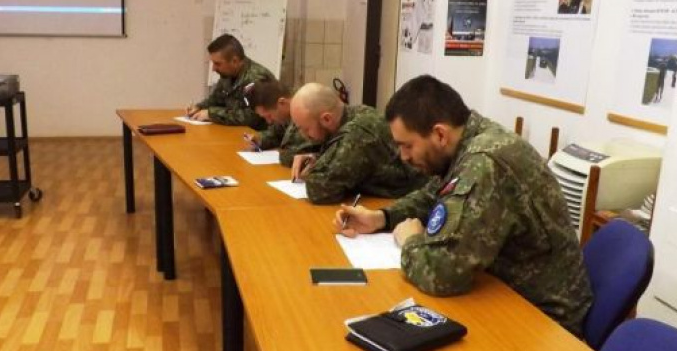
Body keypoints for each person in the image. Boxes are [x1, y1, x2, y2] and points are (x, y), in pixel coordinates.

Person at [334, 75, 592, 337]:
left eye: (407, 145)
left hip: (544, 322)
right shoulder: (469, 138)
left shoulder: (484, 161)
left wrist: (410, 241)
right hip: (502, 292)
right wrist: (382, 217)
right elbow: (434, 194)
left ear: (439, 134)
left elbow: (441, 274)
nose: (403, 157)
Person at [289, 82, 428, 204]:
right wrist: (316, 158)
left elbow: (319, 191)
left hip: (409, 204)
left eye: (306, 129)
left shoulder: (357, 133)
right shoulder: (356, 113)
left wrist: (315, 168)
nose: (303, 135)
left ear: (327, 119)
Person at [185, 34, 274, 129]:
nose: (213, 69)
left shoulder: (256, 79)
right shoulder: (227, 74)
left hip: (256, 134)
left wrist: (212, 114)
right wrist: (199, 107)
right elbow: (216, 100)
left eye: (217, 64)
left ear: (234, 61)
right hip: (234, 131)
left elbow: (251, 117)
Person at [244, 79, 319, 167]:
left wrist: (283, 153)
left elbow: (296, 155)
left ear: (282, 103)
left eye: (269, 116)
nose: (269, 121)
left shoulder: (305, 112)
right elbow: (276, 134)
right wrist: (260, 140)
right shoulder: (285, 113)